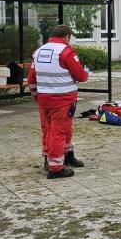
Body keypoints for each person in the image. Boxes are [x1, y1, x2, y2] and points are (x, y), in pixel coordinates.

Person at [27, 25, 89, 179]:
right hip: (62, 99)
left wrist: (37, 96)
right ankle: (55, 167)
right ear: (67, 36)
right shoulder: (66, 52)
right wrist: (86, 72)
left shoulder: (38, 52)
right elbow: (80, 76)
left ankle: (61, 156)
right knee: (59, 132)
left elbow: (31, 79)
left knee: (49, 129)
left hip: (44, 99)